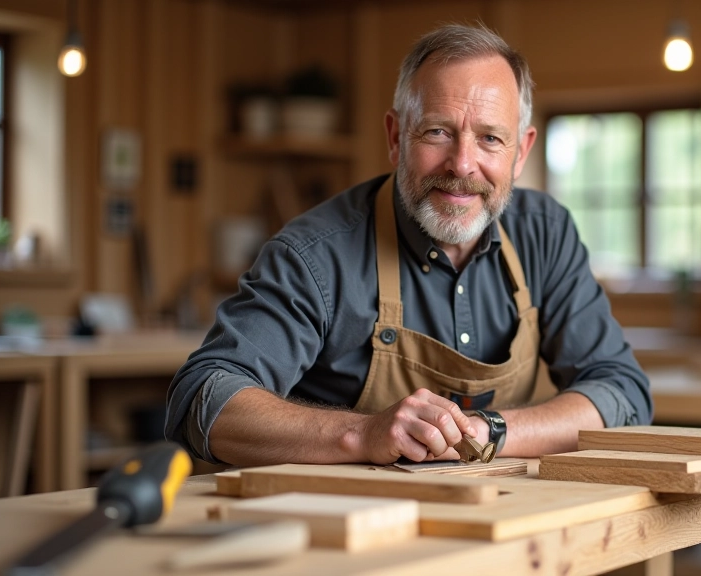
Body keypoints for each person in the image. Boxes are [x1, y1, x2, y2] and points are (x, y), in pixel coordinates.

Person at [165, 24, 652, 467]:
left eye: (489, 139)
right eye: (438, 132)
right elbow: (203, 400)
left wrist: (491, 430)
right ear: (397, 137)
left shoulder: (545, 233)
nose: (462, 165)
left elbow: (621, 390)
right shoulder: (315, 254)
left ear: (521, 151)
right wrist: (361, 434)